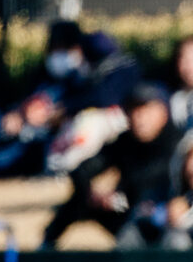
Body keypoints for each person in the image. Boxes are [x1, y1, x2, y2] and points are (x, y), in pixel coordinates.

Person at [0, 19, 140, 190]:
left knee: (25, 147)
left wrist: (52, 117)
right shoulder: (41, 75)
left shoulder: (84, 80)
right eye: (54, 49)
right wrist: (18, 114)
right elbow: (21, 104)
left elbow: (85, 107)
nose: (59, 56)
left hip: (43, 138)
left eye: (65, 48)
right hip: (17, 127)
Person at [41, 83, 180, 250]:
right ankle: (45, 249)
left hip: (165, 218)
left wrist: (117, 194)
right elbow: (83, 169)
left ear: (163, 112)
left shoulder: (178, 142)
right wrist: (93, 192)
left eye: (145, 110)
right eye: (133, 111)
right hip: (128, 209)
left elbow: (149, 180)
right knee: (79, 201)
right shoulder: (125, 141)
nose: (139, 118)